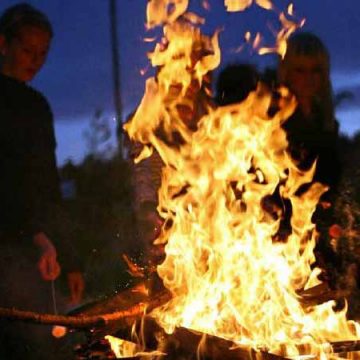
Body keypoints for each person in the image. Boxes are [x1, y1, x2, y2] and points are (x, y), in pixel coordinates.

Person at [0, 3, 84, 358]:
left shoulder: (37, 106)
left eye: (43, 53)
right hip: (9, 247)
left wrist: (72, 258)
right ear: (3, 44)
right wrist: (33, 234)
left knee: (47, 339)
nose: (35, 60)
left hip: (37, 248)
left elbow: (48, 186)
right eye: (27, 50)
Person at [276, 32, 341, 281]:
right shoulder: (272, 119)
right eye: (300, 70)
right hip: (277, 235)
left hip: (316, 234)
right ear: (287, 72)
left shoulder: (324, 121)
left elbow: (330, 178)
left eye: (316, 70)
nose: (308, 78)